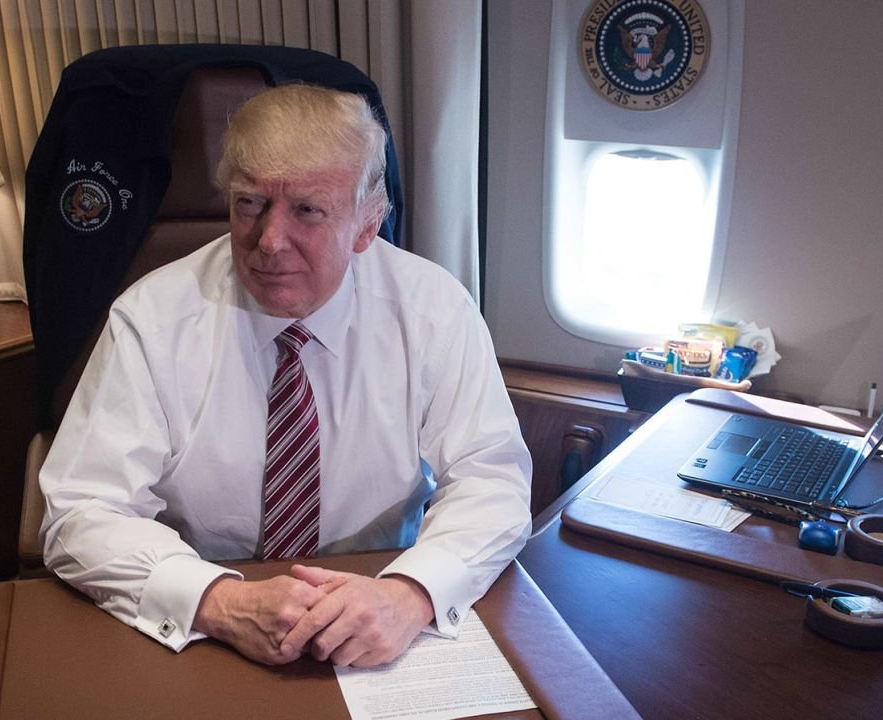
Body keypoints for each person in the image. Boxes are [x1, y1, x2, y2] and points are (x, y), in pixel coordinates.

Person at [39, 83, 531, 669]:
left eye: (307, 210)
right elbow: (81, 510)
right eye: (250, 204)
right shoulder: (152, 318)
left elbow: (492, 481)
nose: (269, 242)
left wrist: (412, 594)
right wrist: (222, 603)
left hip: (379, 609)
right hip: (204, 621)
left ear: (366, 225)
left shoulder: (433, 311)